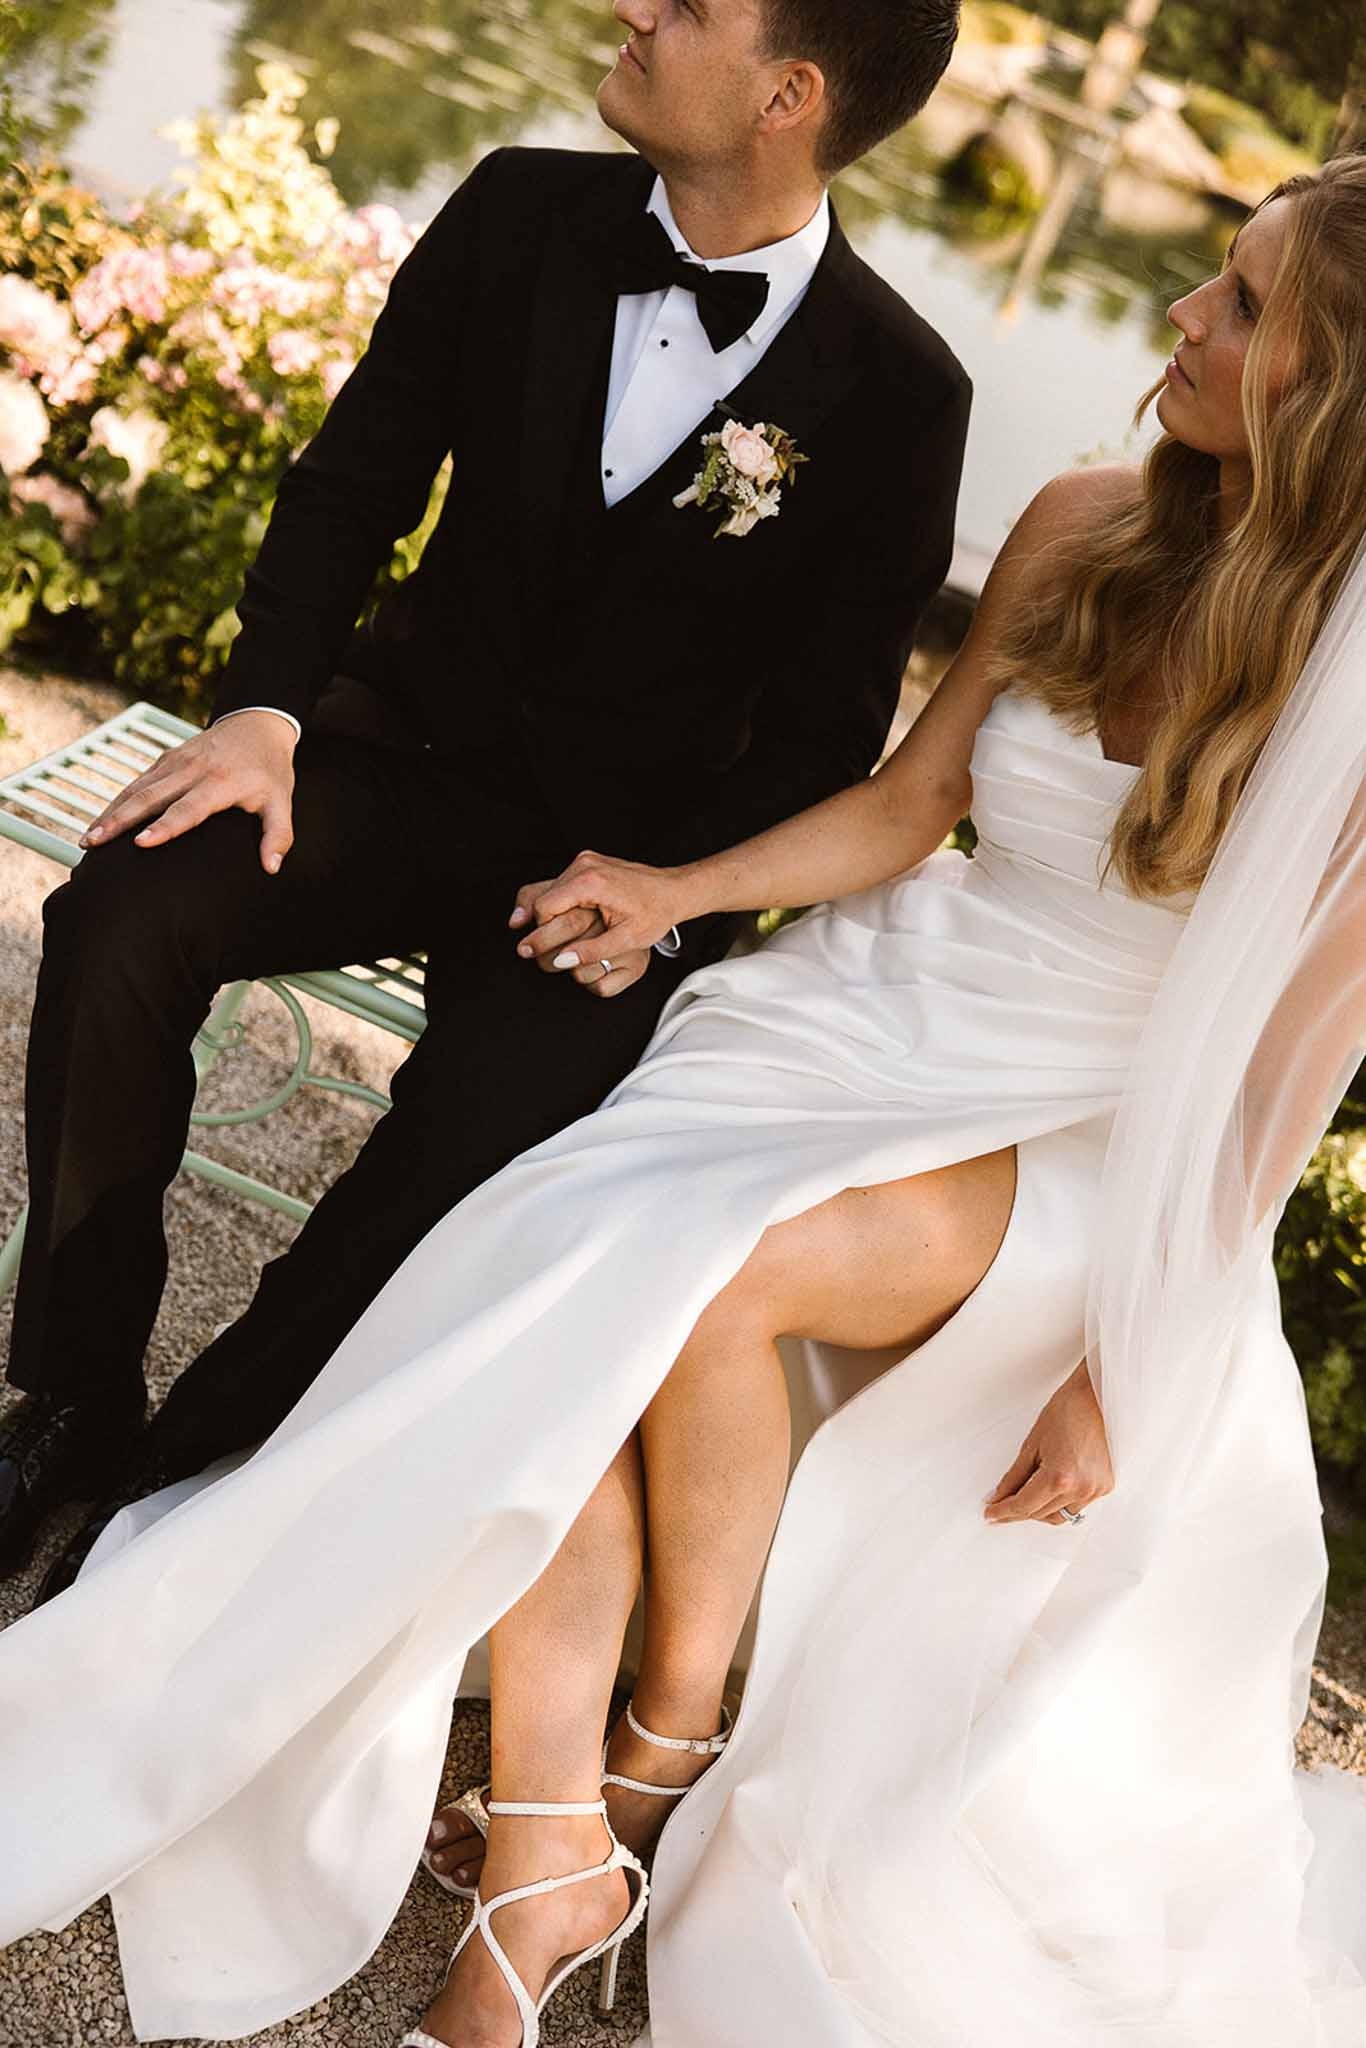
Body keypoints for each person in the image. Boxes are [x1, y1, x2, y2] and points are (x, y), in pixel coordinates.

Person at [2, 156, 1366, 2048]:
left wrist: (1135, 1349)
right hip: (868, 1003)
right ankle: (557, 1829)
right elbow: (905, 814)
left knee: (696, 1263)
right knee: (561, 1229)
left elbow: (1292, 1061)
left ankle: (639, 1775)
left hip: (1081, 1122)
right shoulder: (1077, 523)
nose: (1181, 318)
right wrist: (671, 891)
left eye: (1234, 301)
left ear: (1324, 379)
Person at [0, 0, 970, 1597]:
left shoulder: (900, 393)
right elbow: (353, 483)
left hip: (611, 877)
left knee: (487, 1134)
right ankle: (80, 1400)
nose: (632, 12)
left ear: (789, 94)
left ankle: (179, 1492)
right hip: (389, 768)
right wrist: (260, 715)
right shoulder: (519, 208)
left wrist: (670, 894)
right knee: (119, 914)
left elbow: (822, 732)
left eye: (692, 8)